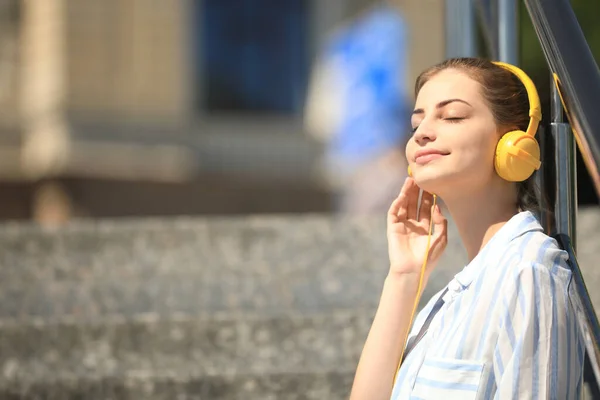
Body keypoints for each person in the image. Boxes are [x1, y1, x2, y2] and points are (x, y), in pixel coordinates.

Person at [349, 57, 585, 399]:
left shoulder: (527, 272)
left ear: (514, 142)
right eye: (416, 124)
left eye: (453, 116)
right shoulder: (445, 302)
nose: (423, 133)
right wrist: (404, 275)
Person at [304, 2, 411, 214]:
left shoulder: (341, 40)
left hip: (352, 153)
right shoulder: (389, 30)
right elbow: (394, 92)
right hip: (382, 150)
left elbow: (322, 116)